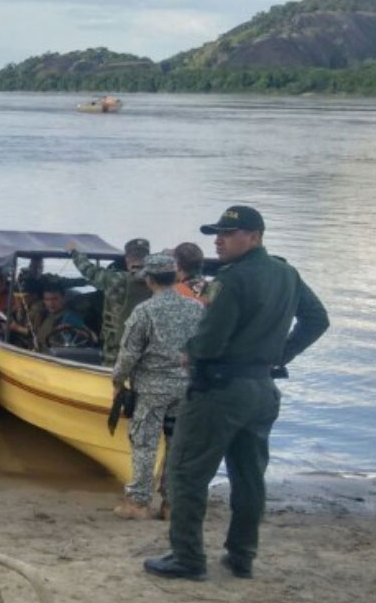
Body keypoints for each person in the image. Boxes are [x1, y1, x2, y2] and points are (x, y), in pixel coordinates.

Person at [144, 206, 329, 581]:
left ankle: (188, 557)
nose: (219, 240)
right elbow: (317, 319)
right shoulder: (287, 273)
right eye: (217, 233)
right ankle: (242, 555)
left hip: (219, 390)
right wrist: (281, 354)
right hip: (262, 388)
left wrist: (190, 352)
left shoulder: (231, 280)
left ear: (255, 236)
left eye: (228, 233)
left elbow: (210, 340)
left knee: (186, 473)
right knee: (248, 476)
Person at [111, 254, 204, 521]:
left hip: (151, 389)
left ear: (149, 281)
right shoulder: (196, 308)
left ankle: (138, 502)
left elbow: (128, 355)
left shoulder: (145, 311)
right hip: (186, 388)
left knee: (145, 444)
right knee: (179, 446)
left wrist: (117, 381)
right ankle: (171, 504)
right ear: (175, 278)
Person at [71, 237, 152, 368]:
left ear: (127, 259)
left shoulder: (116, 279)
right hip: (146, 348)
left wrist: (74, 252)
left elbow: (88, 270)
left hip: (117, 348)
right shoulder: (158, 282)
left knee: (111, 377)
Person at [22, 284, 86, 351]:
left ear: (63, 298)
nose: (50, 303)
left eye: (54, 299)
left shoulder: (71, 318)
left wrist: (72, 329)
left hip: (55, 356)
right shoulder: (44, 313)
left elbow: (94, 338)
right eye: (47, 299)